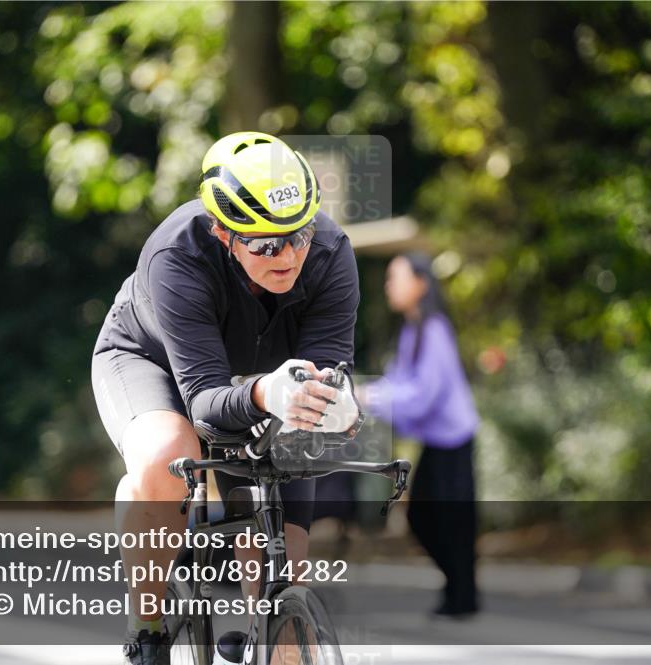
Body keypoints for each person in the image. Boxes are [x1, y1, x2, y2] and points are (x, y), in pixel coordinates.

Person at [91, 132, 363, 665]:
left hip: (264, 380)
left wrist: (338, 403)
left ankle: (272, 630)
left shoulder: (330, 255)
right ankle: (146, 627)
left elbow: (329, 372)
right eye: (265, 244)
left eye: (299, 234)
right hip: (156, 364)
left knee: (282, 562)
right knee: (167, 453)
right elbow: (206, 403)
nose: (289, 255)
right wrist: (265, 391)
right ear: (223, 233)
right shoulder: (178, 255)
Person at [357, 252, 481, 618]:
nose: (388, 284)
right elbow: (400, 383)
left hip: (455, 438)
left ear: (421, 284)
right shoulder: (414, 329)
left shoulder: (435, 329)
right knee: (424, 518)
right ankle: (459, 594)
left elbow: (424, 393)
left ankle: (462, 599)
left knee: (451, 523)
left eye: (397, 276)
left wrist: (373, 396)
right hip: (437, 440)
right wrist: (369, 392)